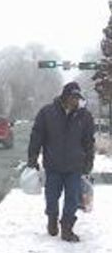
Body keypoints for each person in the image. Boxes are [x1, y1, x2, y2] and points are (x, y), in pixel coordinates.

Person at [27, 81, 95, 242]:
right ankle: (52, 219)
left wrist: (88, 163)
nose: (76, 101)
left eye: (78, 98)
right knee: (52, 196)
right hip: (53, 165)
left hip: (75, 166)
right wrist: (32, 158)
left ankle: (67, 228)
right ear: (65, 96)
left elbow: (88, 142)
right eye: (73, 97)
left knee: (72, 198)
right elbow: (37, 137)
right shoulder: (47, 113)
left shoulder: (84, 116)